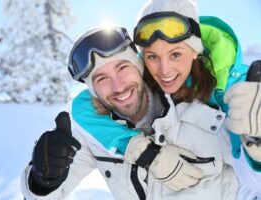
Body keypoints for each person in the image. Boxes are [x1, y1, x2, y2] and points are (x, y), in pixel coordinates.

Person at [22, 26, 243, 200]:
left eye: (123, 68)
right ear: (93, 91)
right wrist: (43, 180)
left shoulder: (204, 113)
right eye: (102, 79)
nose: (118, 87)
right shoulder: (92, 135)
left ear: (140, 67)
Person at [69, 0, 261, 194]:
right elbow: (84, 105)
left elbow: (249, 182)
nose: (164, 70)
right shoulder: (142, 85)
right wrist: (141, 150)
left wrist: (256, 146)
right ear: (142, 61)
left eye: (175, 54)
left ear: (195, 50)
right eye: (152, 56)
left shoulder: (232, 92)